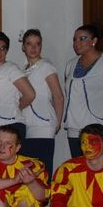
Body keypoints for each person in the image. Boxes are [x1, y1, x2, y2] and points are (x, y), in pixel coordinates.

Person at [38, 124, 103, 207]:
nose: (87, 146)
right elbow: (58, 198)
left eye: (93, 142)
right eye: (83, 142)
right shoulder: (68, 168)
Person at [20, 29, 64, 175]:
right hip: (27, 125)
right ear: (23, 47)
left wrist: (57, 123)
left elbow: (58, 96)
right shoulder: (24, 70)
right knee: (29, 172)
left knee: (42, 172)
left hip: (43, 125)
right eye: (29, 44)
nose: (33, 48)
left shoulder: (46, 66)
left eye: (37, 44)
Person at [0, 31, 34, 152]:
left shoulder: (11, 68)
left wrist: (15, 109)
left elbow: (30, 94)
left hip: (11, 126)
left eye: (3, 48)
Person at [62, 24, 103, 159]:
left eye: (82, 38)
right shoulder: (71, 64)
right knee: (79, 166)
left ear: (94, 41)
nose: (77, 43)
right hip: (74, 128)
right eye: (75, 39)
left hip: (97, 126)